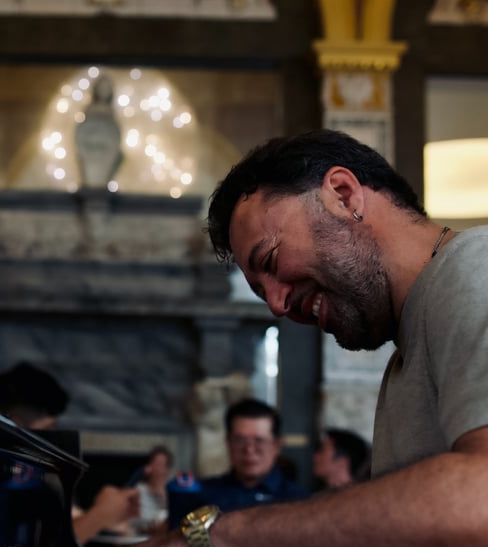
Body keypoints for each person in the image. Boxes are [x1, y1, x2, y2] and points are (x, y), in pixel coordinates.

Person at [138, 128, 488, 546]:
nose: (276, 305)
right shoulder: (406, 351)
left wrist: (221, 535)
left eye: (270, 259)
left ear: (343, 195)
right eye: (260, 292)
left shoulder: (476, 267)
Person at [0, 361, 141, 545]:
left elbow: (60, 526)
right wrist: (99, 516)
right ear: (15, 426)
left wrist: (107, 515)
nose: (52, 439)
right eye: (48, 429)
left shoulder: (40, 479)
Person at [166, 398, 310, 530]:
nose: (249, 450)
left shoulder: (299, 502)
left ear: (277, 445)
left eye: (259, 441)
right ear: (228, 442)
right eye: (240, 440)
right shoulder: (203, 496)